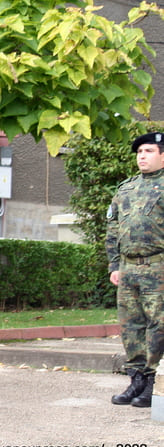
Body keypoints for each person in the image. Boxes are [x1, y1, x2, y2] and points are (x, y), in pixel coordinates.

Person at [106, 131, 164, 408]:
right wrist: (114, 265)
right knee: (130, 326)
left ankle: (153, 382)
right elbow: (113, 227)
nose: (142, 156)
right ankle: (136, 379)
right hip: (128, 269)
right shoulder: (126, 188)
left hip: (158, 267)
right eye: (139, 152)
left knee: (158, 325)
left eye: (149, 151)